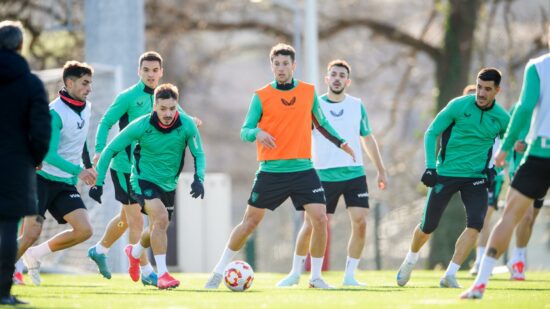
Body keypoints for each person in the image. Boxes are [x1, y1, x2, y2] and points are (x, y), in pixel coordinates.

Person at [204, 43, 355, 290]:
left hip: (304, 170)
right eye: (277, 64)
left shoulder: (308, 92)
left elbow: (322, 123)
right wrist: (257, 132)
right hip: (271, 171)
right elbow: (244, 131)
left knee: (319, 218)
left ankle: (315, 277)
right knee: (249, 223)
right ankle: (218, 271)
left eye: (286, 64)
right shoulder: (261, 95)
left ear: (293, 66)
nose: (281, 68)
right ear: (271, 66)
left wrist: (342, 143)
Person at [277, 59, 387, 287]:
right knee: (311, 224)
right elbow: (298, 136)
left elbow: (367, 138)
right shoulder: (313, 104)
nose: (337, 78)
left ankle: (350, 276)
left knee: (361, 223)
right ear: (327, 79)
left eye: (341, 75)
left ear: (347, 81)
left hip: (354, 174)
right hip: (321, 174)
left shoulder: (357, 105)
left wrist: (380, 170)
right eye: (333, 75)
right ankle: (295, 273)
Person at [396, 68, 510, 289]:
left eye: (487, 89)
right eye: (479, 87)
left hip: (476, 178)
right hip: (445, 174)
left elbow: (509, 145)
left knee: (476, 224)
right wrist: (430, 167)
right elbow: (431, 132)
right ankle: (411, 259)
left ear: (497, 90)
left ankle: (450, 274)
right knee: (427, 227)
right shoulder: (458, 105)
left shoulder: (503, 118)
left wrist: (494, 167)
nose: (481, 92)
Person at [90, 83, 206, 289]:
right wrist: (98, 183)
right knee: (160, 219)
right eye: (162, 109)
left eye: (172, 108)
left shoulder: (187, 124)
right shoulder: (141, 125)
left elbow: (199, 154)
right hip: (142, 181)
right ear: (154, 107)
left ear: (177, 106)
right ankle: (162, 274)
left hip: (169, 184)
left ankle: (134, 252)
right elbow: (109, 150)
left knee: (157, 226)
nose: (168, 113)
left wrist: (199, 179)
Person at [462, 28, 550, 297]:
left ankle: (480, 283)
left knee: (509, 216)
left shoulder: (538, 66)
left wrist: (506, 148)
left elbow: (524, 109)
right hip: (538, 152)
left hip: (540, 153)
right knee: (514, 216)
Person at [87, 51, 164, 286]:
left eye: (155, 70)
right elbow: (106, 121)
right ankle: (147, 271)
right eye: (146, 70)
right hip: (123, 167)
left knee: (124, 218)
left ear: (161, 72)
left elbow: (174, 118)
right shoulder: (129, 96)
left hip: (146, 170)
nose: (151, 74)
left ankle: (100, 249)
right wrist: (100, 150)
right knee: (137, 222)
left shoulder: (163, 97)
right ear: (138, 71)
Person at [20, 61, 97, 287]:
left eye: (90, 83)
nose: (89, 88)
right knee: (30, 233)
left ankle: (34, 255)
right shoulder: (54, 112)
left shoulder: (88, 107)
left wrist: (86, 165)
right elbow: (48, 155)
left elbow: (81, 140)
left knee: (84, 230)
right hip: (41, 180)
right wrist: (79, 171)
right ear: (70, 82)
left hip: (65, 183)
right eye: (84, 83)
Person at [0, 20, 51, 305]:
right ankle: (3, 292)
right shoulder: (31, 82)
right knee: (8, 227)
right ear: (21, 45)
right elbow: (42, 129)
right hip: (16, 163)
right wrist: (33, 156)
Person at [462, 84, 506, 276]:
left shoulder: (496, 117)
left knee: (485, 216)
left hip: (493, 174)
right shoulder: (461, 122)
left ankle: (480, 261)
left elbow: (507, 140)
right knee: (476, 219)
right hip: (470, 175)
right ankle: (476, 259)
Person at [502, 104, 546, 281]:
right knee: (526, 216)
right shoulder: (518, 110)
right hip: (521, 169)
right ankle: (519, 262)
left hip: (543, 168)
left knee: (532, 218)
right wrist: (514, 144)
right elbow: (503, 136)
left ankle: (517, 256)